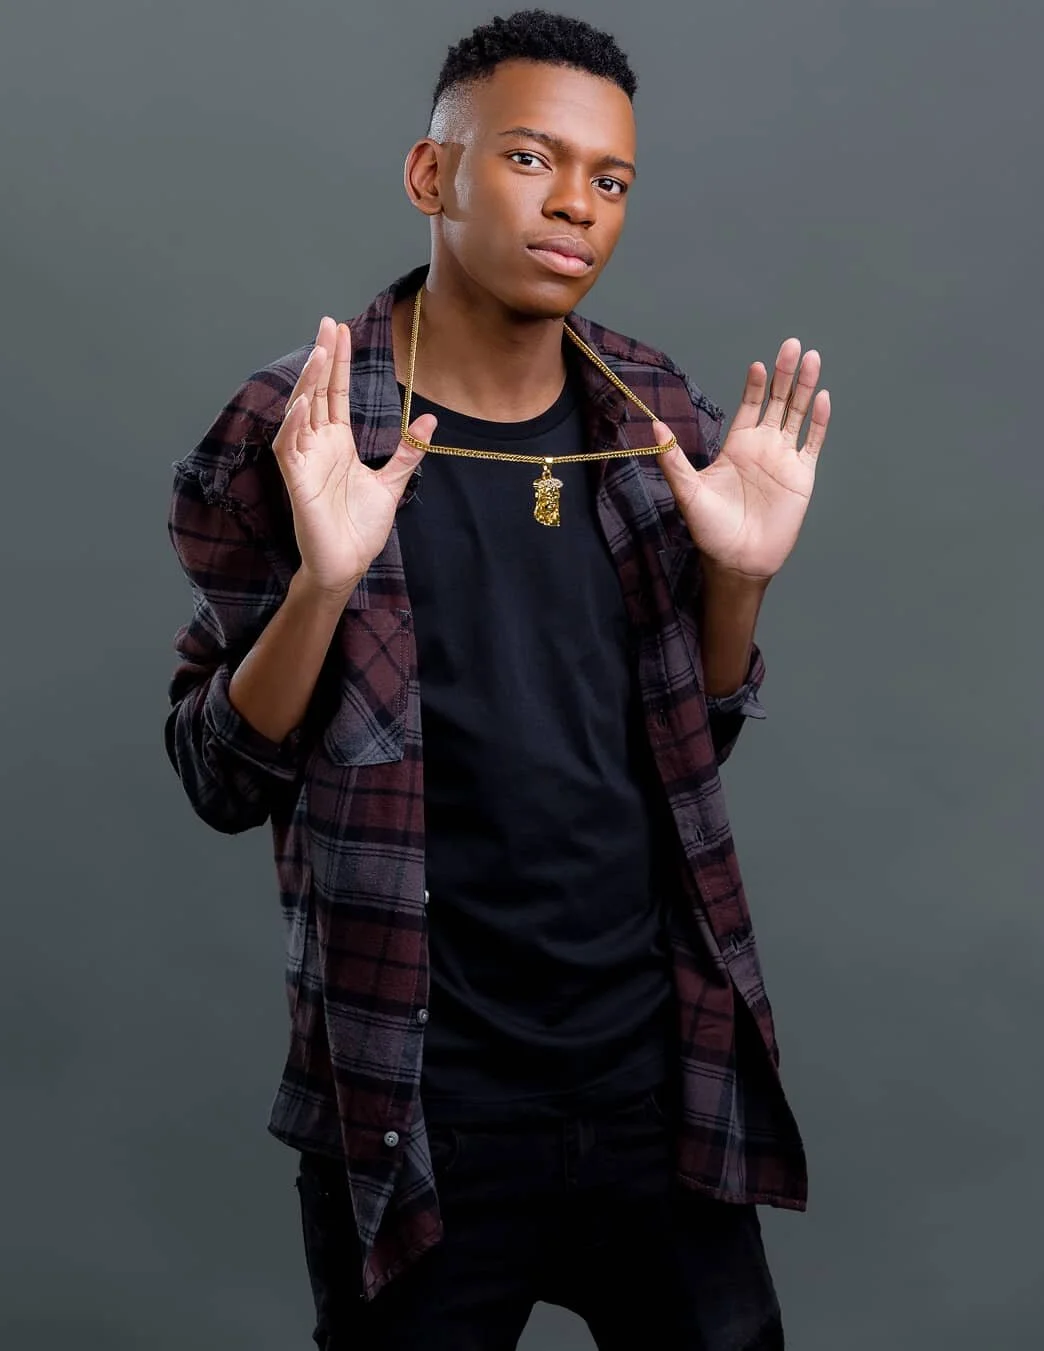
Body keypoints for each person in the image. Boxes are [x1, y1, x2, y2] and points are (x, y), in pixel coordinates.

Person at [165, 10, 830, 1349]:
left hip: (653, 1081)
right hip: (420, 1098)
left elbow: (684, 746)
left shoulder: (655, 419)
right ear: (433, 177)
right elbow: (221, 777)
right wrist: (324, 581)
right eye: (532, 159)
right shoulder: (297, 426)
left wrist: (740, 580)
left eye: (611, 178)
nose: (576, 205)